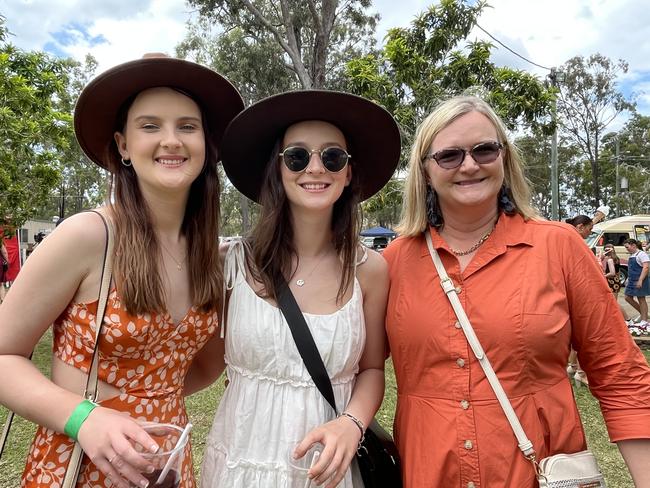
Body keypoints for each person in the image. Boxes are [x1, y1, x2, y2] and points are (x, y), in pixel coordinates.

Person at [0, 54, 243, 488]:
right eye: (150, 126)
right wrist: (88, 418)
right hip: (79, 464)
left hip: (165, 467)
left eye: (187, 126)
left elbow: (208, 365)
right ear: (124, 144)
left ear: (207, 145)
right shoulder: (88, 236)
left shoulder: (212, 256)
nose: (171, 140)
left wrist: (148, 404)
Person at [383, 95, 650, 487]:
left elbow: (619, 373)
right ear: (425, 172)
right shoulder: (393, 262)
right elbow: (358, 368)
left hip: (537, 472)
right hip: (428, 472)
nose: (470, 165)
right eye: (450, 156)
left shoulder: (558, 246)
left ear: (504, 158)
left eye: (485, 149)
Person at [194, 90, 400, 487]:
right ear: (279, 168)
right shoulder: (231, 264)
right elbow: (204, 361)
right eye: (298, 156)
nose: (316, 168)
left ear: (348, 172)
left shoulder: (370, 270)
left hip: (328, 467)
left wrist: (352, 424)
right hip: (241, 459)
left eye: (333, 156)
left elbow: (373, 369)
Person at [623, 238, 650, 333]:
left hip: (640, 280)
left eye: (627, 247)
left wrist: (640, 280)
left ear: (633, 245)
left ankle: (644, 320)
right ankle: (644, 315)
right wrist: (627, 279)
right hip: (632, 280)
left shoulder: (641, 254)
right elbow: (630, 269)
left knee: (641, 299)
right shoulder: (632, 255)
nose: (627, 249)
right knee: (627, 297)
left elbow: (646, 267)